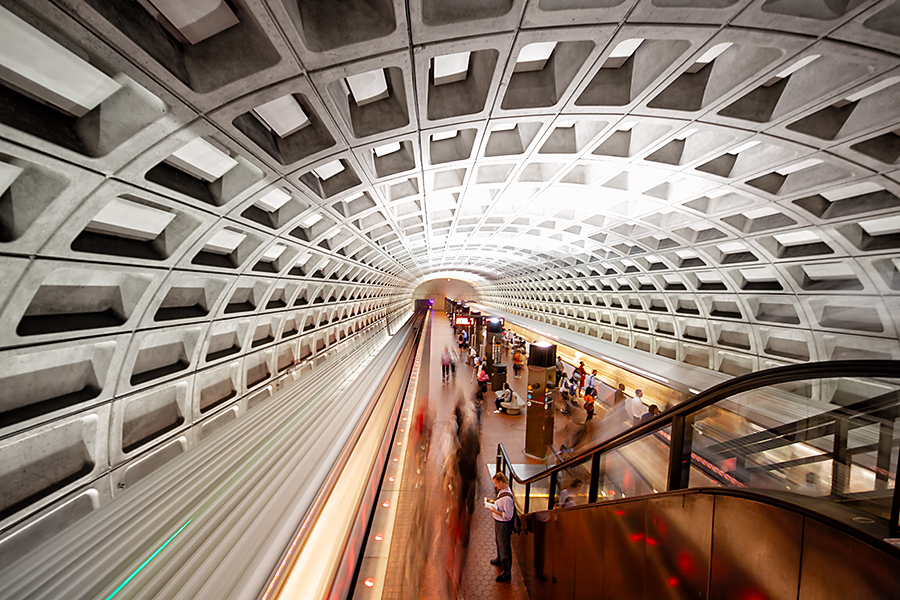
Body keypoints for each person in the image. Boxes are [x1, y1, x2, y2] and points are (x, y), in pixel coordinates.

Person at [488, 472, 515, 583]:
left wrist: (495, 511)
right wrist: (493, 503)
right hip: (499, 523)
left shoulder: (507, 498)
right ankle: (499, 559)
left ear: (500, 482)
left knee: (504, 547)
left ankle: (506, 572)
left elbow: (508, 515)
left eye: (496, 483)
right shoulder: (502, 492)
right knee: (499, 542)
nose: (495, 486)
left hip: (503, 525)